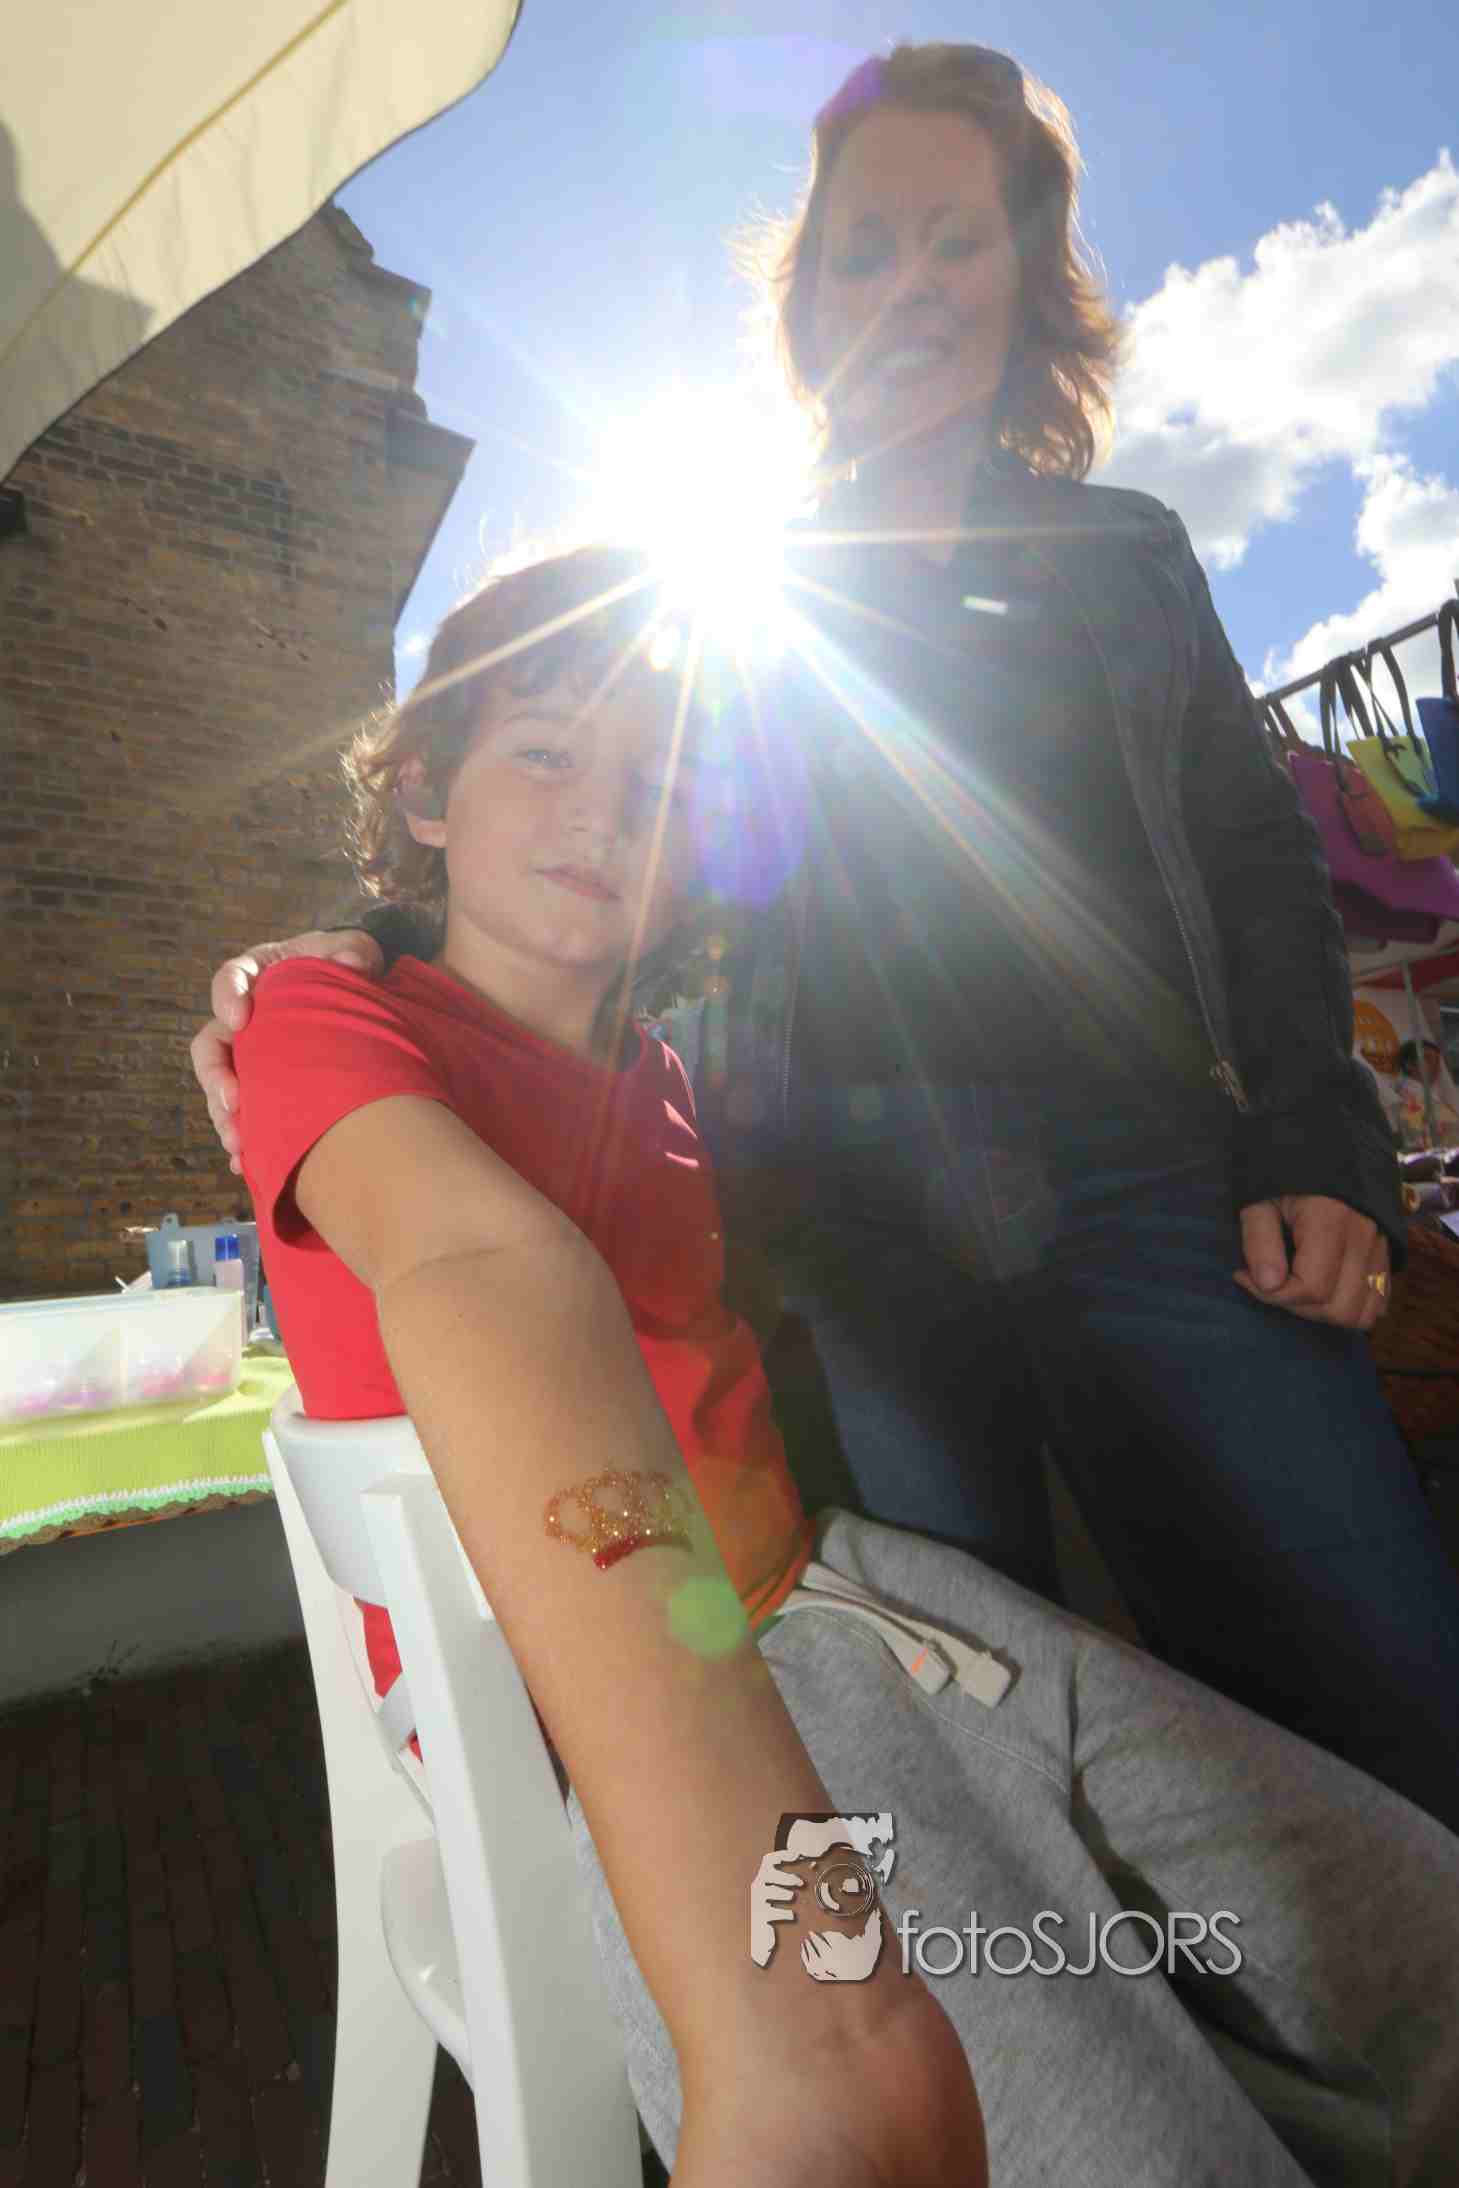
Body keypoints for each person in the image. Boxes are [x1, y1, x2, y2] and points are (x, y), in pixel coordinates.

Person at [192, 43, 1459, 1834]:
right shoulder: (737, 590)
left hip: (1151, 1173)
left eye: (957, 241)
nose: (910, 286)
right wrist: (367, 952)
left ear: (1027, 276)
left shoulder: (1129, 554)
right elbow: (605, 826)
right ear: (810, 303)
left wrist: (1318, 1136)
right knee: (972, 1729)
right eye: (865, 249)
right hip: (848, 1220)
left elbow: (1256, 860)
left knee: (1377, 1664)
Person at [230, 540, 1459, 2186]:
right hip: (627, 1697)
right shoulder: (326, 1014)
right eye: (545, 752)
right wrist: (784, 2034)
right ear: (426, 792)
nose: (607, 814)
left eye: (660, 783)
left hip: (852, 1601)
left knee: (1419, 1938)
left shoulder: (672, 1076)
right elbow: (487, 1267)